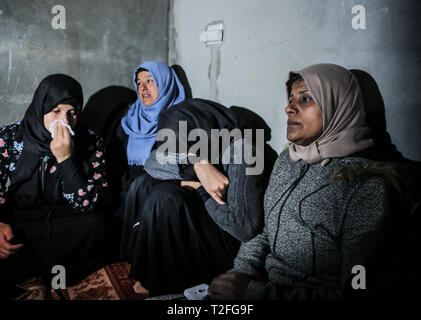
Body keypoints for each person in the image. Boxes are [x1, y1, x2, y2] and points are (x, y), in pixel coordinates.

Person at [206, 63, 395, 300]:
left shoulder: (366, 186)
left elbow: (356, 292)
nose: (289, 108)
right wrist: (238, 277)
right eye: (291, 99)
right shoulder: (289, 159)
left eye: (305, 99)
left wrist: (252, 293)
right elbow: (264, 232)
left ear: (338, 107)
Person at [120, 98, 268, 297]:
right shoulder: (203, 144)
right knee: (143, 183)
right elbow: (152, 161)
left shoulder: (244, 152)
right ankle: (144, 268)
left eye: (181, 145)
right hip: (210, 218)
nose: (177, 151)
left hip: (229, 239)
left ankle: (165, 284)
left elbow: (244, 228)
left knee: (165, 197)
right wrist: (198, 163)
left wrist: (200, 188)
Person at [0, 74, 111, 298]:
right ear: (41, 107)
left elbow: (88, 204)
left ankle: (60, 277)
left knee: (98, 225)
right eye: (56, 111)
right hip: (22, 219)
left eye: (72, 113)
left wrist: (66, 159)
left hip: (66, 219)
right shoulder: (10, 136)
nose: (65, 121)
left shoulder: (90, 141)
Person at [113, 61, 185, 219]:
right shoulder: (129, 117)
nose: (142, 88)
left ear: (165, 83)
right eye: (139, 83)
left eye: (149, 80)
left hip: (155, 200)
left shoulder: (180, 120)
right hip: (124, 196)